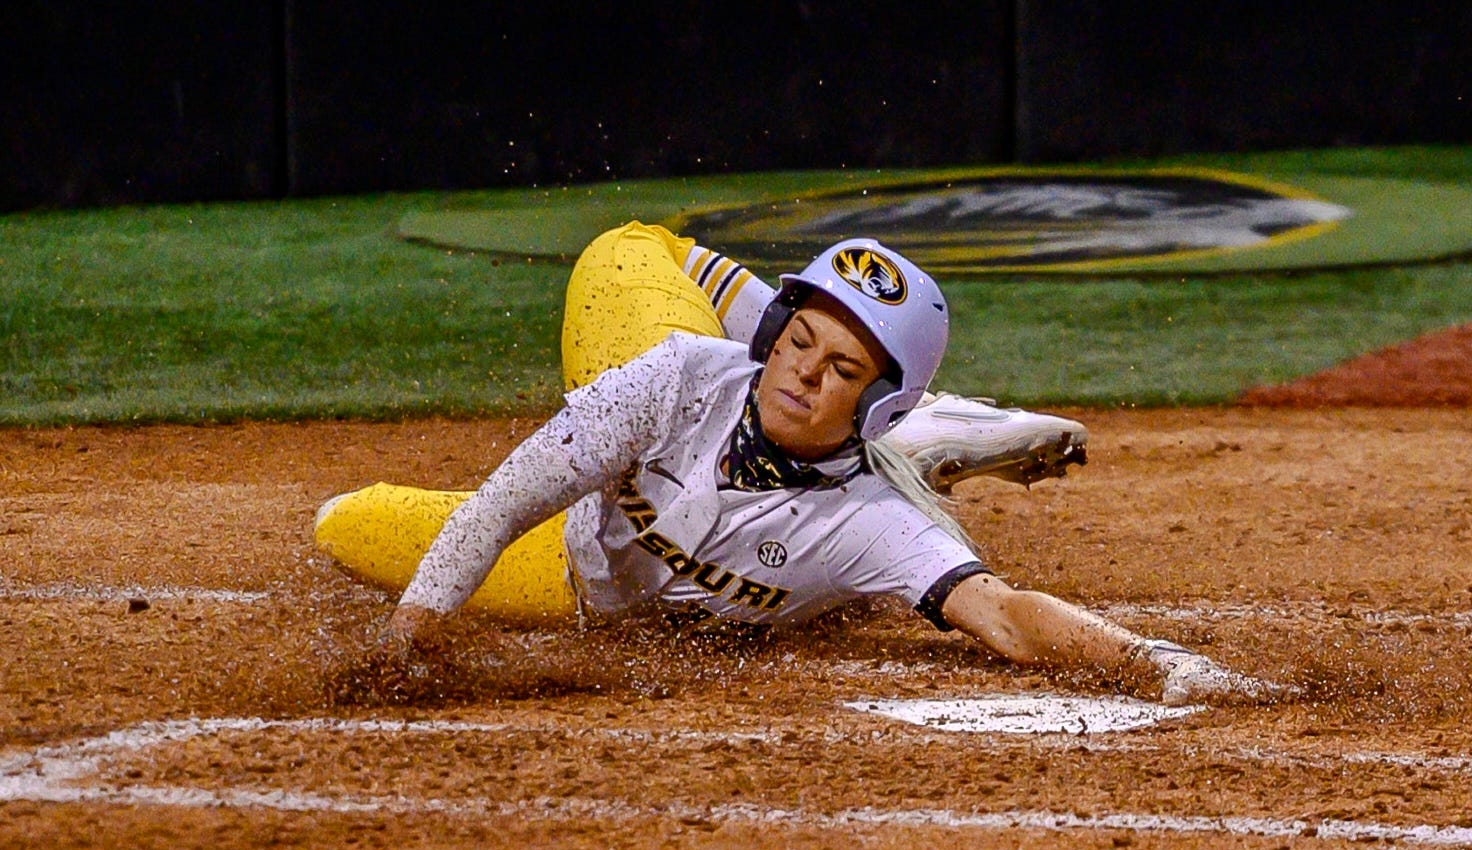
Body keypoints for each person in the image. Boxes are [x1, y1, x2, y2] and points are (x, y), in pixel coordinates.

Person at [314, 222, 1295, 706]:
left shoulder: (869, 524)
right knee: (627, 247)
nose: (802, 376)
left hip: (600, 591)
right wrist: (413, 637)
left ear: (875, 399)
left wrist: (1152, 662)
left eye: (841, 370)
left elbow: (999, 612)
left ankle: (915, 450)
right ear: (771, 335)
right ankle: (914, 423)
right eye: (795, 343)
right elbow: (500, 504)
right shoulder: (668, 383)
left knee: (349, 522)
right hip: (577, 550)